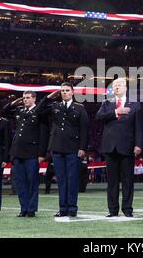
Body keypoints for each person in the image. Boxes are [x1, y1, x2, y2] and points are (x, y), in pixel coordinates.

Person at [36, 83, 89, 217]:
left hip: (73, 148)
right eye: (62, 91)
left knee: (72, 179)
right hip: (57, 147)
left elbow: (84, 130)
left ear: (72, 92)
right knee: (61, 179)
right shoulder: (54, 106)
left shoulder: (79, 108)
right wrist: (48, 97)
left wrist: (82, 147)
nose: (64, 93)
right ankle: (63, 208)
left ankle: (72, 208)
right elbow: (37, 111)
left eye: (67, 90)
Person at [96, 78, 143, 218]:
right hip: (110, 147)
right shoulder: (107, 103)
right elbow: (98, 117)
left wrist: (138, 144)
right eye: (115, 86)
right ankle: (113, 210)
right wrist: (116, 112)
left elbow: (139, 127)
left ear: (125, 88)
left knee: (128, 181)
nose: (116, 88)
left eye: (119, 85)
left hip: (127, 147)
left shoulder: (135, 105)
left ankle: (127, 209)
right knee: (112, 182)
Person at [2, 91, 48, 218]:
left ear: (34, 99)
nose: (25, 100)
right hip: (17, 152)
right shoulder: (20, 111)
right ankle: (24, 208)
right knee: (20, 182)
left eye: (27, 98)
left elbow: (43, 135)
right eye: (23, 98)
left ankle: (31, 209)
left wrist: (41, 153)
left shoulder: (40, 113)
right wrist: (13, 103)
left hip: (32, 152)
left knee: (32, 182)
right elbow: (4, 112)